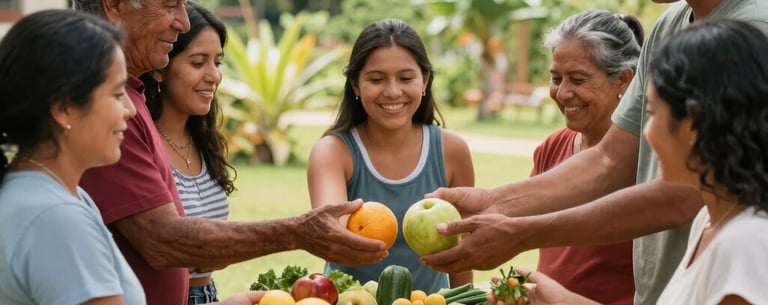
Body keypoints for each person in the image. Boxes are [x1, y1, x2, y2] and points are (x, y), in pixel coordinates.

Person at [420, 1, 768, 304]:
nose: (644, 135)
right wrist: (494, 203)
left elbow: (680, 196)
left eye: (655, 115)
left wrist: (522, 233)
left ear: (697, 127)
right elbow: (610, 157)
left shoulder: (742, 246)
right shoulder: (709, 226)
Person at [72, 1, 388, 305]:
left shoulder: (133, 99)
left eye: (218, 62)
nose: (181, 21)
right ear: (113, 5)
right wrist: (297, 232)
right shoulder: (106, 107)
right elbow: (163, 241)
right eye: (170, 5)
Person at [307, 18, 475, 292]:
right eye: (376, 79)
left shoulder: (452, 151)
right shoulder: (333, 152)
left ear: (426, 80)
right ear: (355, 85)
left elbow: (462, 256)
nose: (393, 91)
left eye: (406, 78)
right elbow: (332, 239)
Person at [532, 10, 643, 305]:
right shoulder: (552, 147)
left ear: (623, 80)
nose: (563, 93)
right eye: (556, 78)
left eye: (578, 79)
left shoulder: (644, 160)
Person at [138, 2, 233, 303]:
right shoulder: (143, 143)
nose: (213, 76)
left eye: (217, 62)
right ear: (161, 69)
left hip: (209, 293)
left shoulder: (205, 141)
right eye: (197, 63)